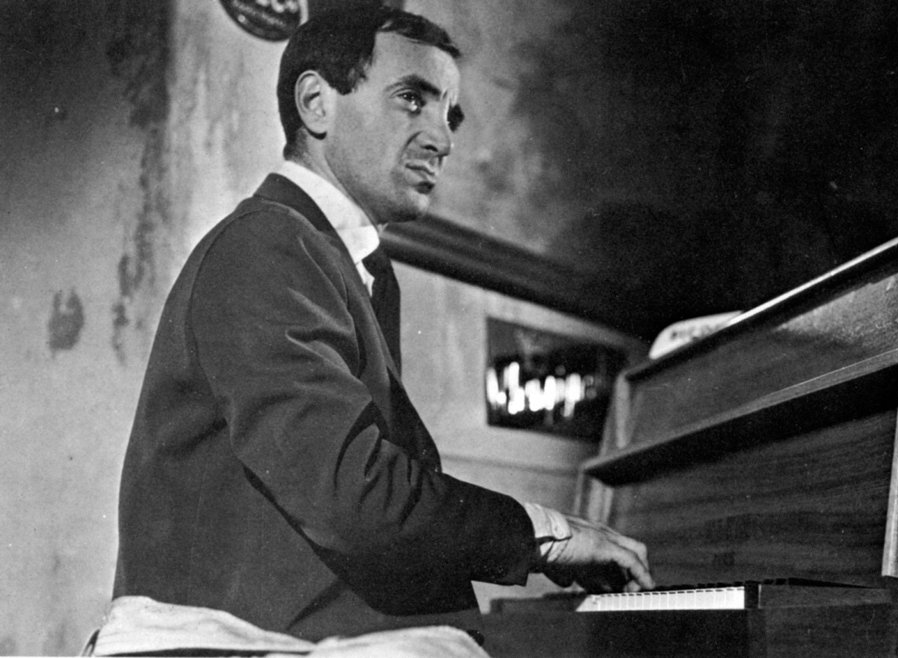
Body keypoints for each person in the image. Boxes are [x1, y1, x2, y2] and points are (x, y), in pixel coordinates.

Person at [113, 3, 654, 643]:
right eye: (412, 100)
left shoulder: (336, 258)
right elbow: (358, 497)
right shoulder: (268, 244)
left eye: (449, 115)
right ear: (316, 103)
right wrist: (548, 536)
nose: (443, 140)